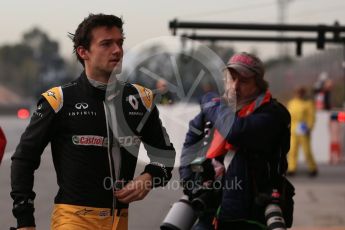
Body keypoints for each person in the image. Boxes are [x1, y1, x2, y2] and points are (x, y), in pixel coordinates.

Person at [11, 14, 176, 230]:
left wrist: (149, 176)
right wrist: (25, 221)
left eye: (120, 42)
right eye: (106, 44)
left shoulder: (141, 99)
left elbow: (165, 155)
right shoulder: (58, 100)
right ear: (83, 52)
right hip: (73, 219)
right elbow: (24, 159)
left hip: (120, 220)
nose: (117, 50)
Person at [182, 52, 293, 229]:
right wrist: (189, 182)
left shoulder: (273, 113)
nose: (234, 86)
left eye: (243, 81)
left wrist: (209, 100)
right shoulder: (214, 109)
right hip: (209, 207)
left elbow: (235, 131)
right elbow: (190, 144)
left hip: (252, 214)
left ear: (258, 84)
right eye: (231, 78)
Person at [287, 86, 318, 176]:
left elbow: (311, 117)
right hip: (293, 130)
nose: (299, 94)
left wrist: (309, 127)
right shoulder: (292, 103)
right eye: (298, 92)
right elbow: (288, 116)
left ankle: (313, 168)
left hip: (304, 130)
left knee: (307, 151)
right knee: (292, 150)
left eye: (301, 92)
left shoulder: (308, 104)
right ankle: (292, 168)